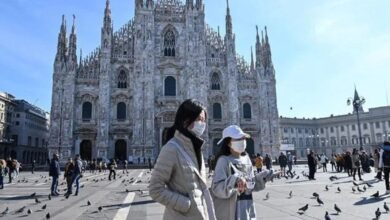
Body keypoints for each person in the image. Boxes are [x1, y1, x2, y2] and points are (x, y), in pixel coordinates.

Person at [149, 99, 216, 220]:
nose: (202, 124)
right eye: (199, 119)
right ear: (185, 121)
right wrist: (186, 204)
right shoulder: (171, 149)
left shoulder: (196, 149)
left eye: (204, 120)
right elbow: (155, 189)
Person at [211, 125, 276, 220]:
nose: (243, 141)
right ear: (228, 143)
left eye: (243, 138)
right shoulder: (223, 160)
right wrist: (235, 181)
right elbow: (217, 188)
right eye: (238, 139)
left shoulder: (246, 159)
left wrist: (262, 178)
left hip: (246, 207)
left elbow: (250, 186)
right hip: (230, 211)